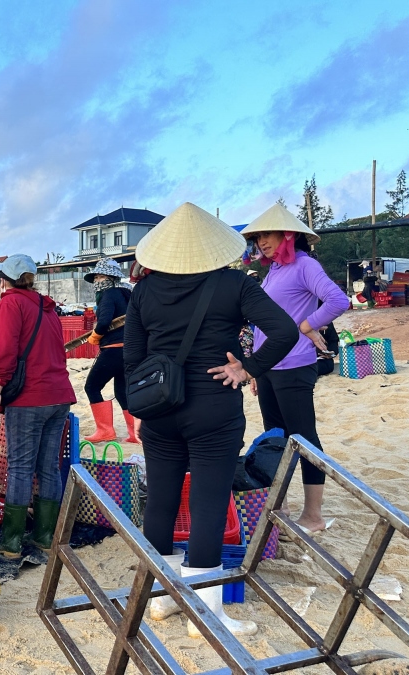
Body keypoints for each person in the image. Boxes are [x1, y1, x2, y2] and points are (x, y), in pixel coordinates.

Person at [124, 203, 297, 637]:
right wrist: (248, 369)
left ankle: (161, 600)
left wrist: (141, 409)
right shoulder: (235, 285)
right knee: (206, 502)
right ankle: (206, 614)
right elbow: (285, 331)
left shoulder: (144, 291)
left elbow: (132, 359)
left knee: (161, 500)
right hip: (213, 407)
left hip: (159, 410)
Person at [241, 204, 348, 534]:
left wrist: (307, 325)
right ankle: (283, 506)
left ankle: (313, 516)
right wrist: (257, 368)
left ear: (287, 234)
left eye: (267, 234)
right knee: (277, 438)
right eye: (258, 237)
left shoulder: (305, 264)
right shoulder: (274, 270)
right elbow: (266, 321)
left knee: (303, 438)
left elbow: (338, 300)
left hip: (294, 365)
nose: (262, 242)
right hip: (270, 366)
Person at [0, 254, 77, 557]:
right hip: (59, 394)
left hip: (30, 397)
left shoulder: (11, 303)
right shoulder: (46, 305)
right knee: (49, 467)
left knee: (21, 469)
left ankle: (11, 541)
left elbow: (4, 351)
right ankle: (45, 536)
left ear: (5, 280)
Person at [81, 259, 137, 444]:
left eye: (100, 276)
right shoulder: (128, 293)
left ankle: (105, 430)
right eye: (96, 277)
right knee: (122, 392)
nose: (97, 280)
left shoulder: (108, 294)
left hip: (112, 350)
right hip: (130, 350)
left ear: (110, 278)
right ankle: (134, 434)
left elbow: (104, 321)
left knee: (92, 387)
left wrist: (95, 336)